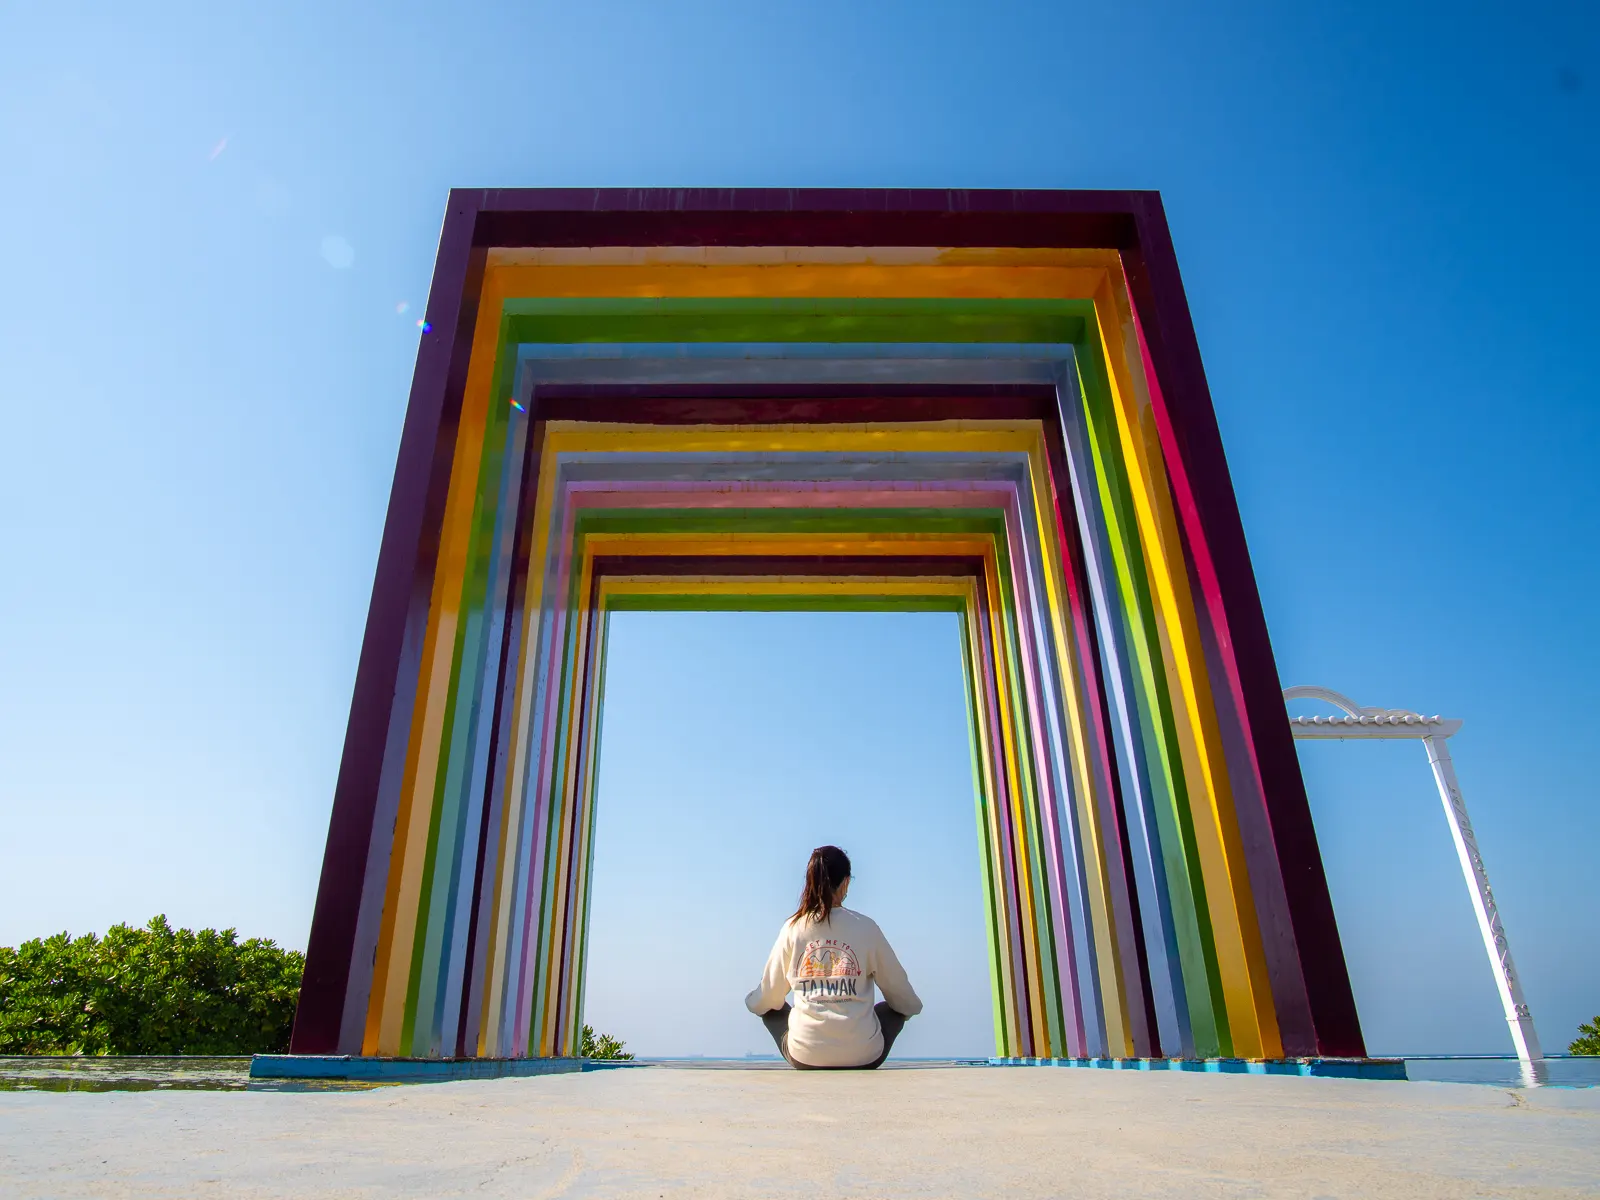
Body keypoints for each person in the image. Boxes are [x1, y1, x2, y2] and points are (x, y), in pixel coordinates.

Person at [745, 845, 922, 1069]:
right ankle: (854, 1045)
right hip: (864, 1057)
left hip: (806, 1057)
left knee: (772, 1008)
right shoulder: (866, 927)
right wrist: (911, 1008)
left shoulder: (793, 928)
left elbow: (768, 997)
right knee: (891, 1008)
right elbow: (902, 996)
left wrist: (752, 1002)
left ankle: (812, 1043)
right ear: (845, 881)